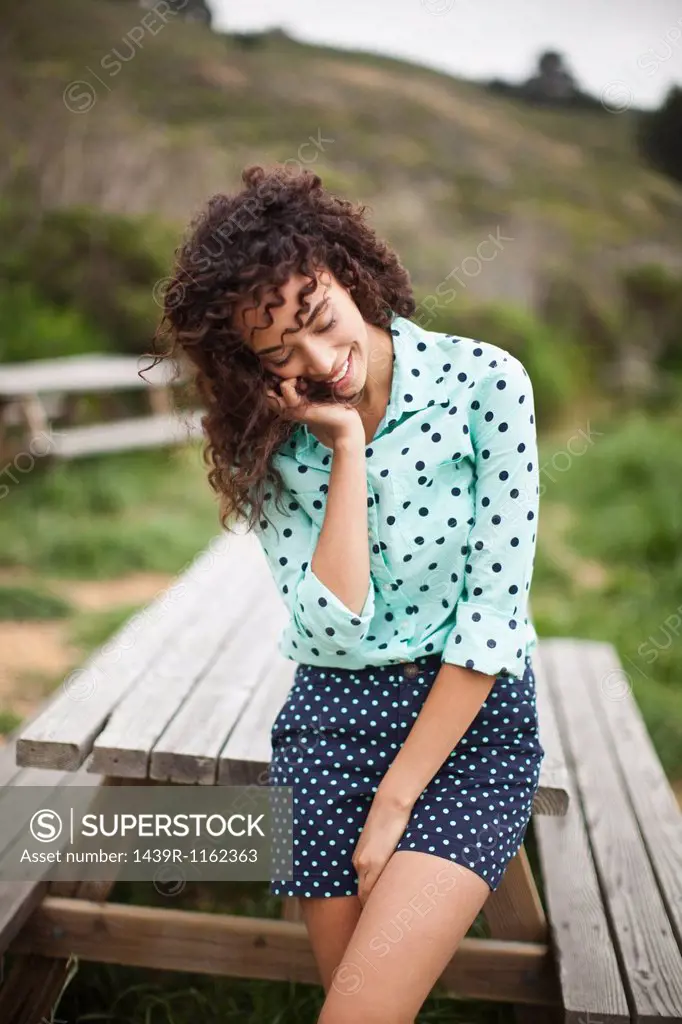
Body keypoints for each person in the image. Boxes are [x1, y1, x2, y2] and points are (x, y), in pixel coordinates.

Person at [155, 163, 545, 1023]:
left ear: (350, 273)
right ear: (252, 366)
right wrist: (344, 451)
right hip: (331, 725)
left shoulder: (485, 383)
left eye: (320, 320)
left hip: (470, 730)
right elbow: (330, 628)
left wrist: (398, 799)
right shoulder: (269, 443)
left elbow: (490, 622)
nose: (320, 361)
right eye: (279, 353)